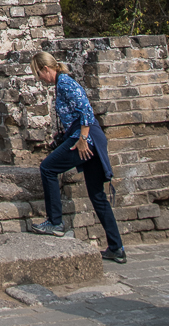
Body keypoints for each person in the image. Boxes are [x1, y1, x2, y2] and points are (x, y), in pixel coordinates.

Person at [29, 50, 126, 263]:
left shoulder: (64, 82)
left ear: (46, 69)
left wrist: (81, 138)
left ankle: (55, 222)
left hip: (85, 137)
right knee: (97, 195)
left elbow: (86, 110)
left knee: (48, 168)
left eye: (38, 74)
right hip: (88, 137)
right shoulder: (62, 84)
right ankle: (116, 248)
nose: (39, 78)